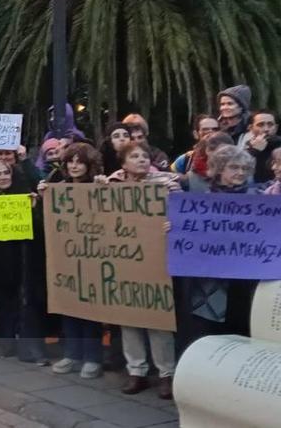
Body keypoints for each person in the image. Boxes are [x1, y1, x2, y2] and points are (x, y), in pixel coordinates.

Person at [173, 145, 281, 359]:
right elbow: (184, 234)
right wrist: (173, 228)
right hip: (208, 288)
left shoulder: (259, 197)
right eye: (234, 167)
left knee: (238, 342)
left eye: (245, 168)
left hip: (244, 287)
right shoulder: (198, 202)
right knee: (204, 342)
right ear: (218, 169)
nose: (241, 172)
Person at [101, 142, 178, 399]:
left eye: (145, 156)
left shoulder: (167, 183)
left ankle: (166, 373)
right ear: (123, 164)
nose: (142, 160)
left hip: (156, 258)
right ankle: (137, 371)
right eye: (135, 156)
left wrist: (174, 201)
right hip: (125, 259)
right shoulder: (111, 186)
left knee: (158, 317)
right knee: (129, 317)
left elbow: (184, 214)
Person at [41, 143, 106, 379]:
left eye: (80, 161)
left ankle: (93, 357)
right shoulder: (59, 189)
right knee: (69, 306)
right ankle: (72, 353)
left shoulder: (98, 186)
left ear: (88, 165)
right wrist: (42, 195)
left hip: (93, 257)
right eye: (71, 161)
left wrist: (106, 188)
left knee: (90, 309)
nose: (75, 166)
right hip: (67, 258)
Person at [0, 159, 45, 362]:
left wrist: (33, 208)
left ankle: (29, 349)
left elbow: (38, 231)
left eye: (6, 172)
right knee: (2, 302)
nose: (3, 177)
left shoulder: (24, 197)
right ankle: (4, 345)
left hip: (23, 260)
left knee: (24, 303)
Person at [241, 110, 281, 182]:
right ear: (250, 128)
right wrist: (254, 151)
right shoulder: (245, 147)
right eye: (260, 125)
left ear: (276, 127)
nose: (266, 129)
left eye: (270, 125)